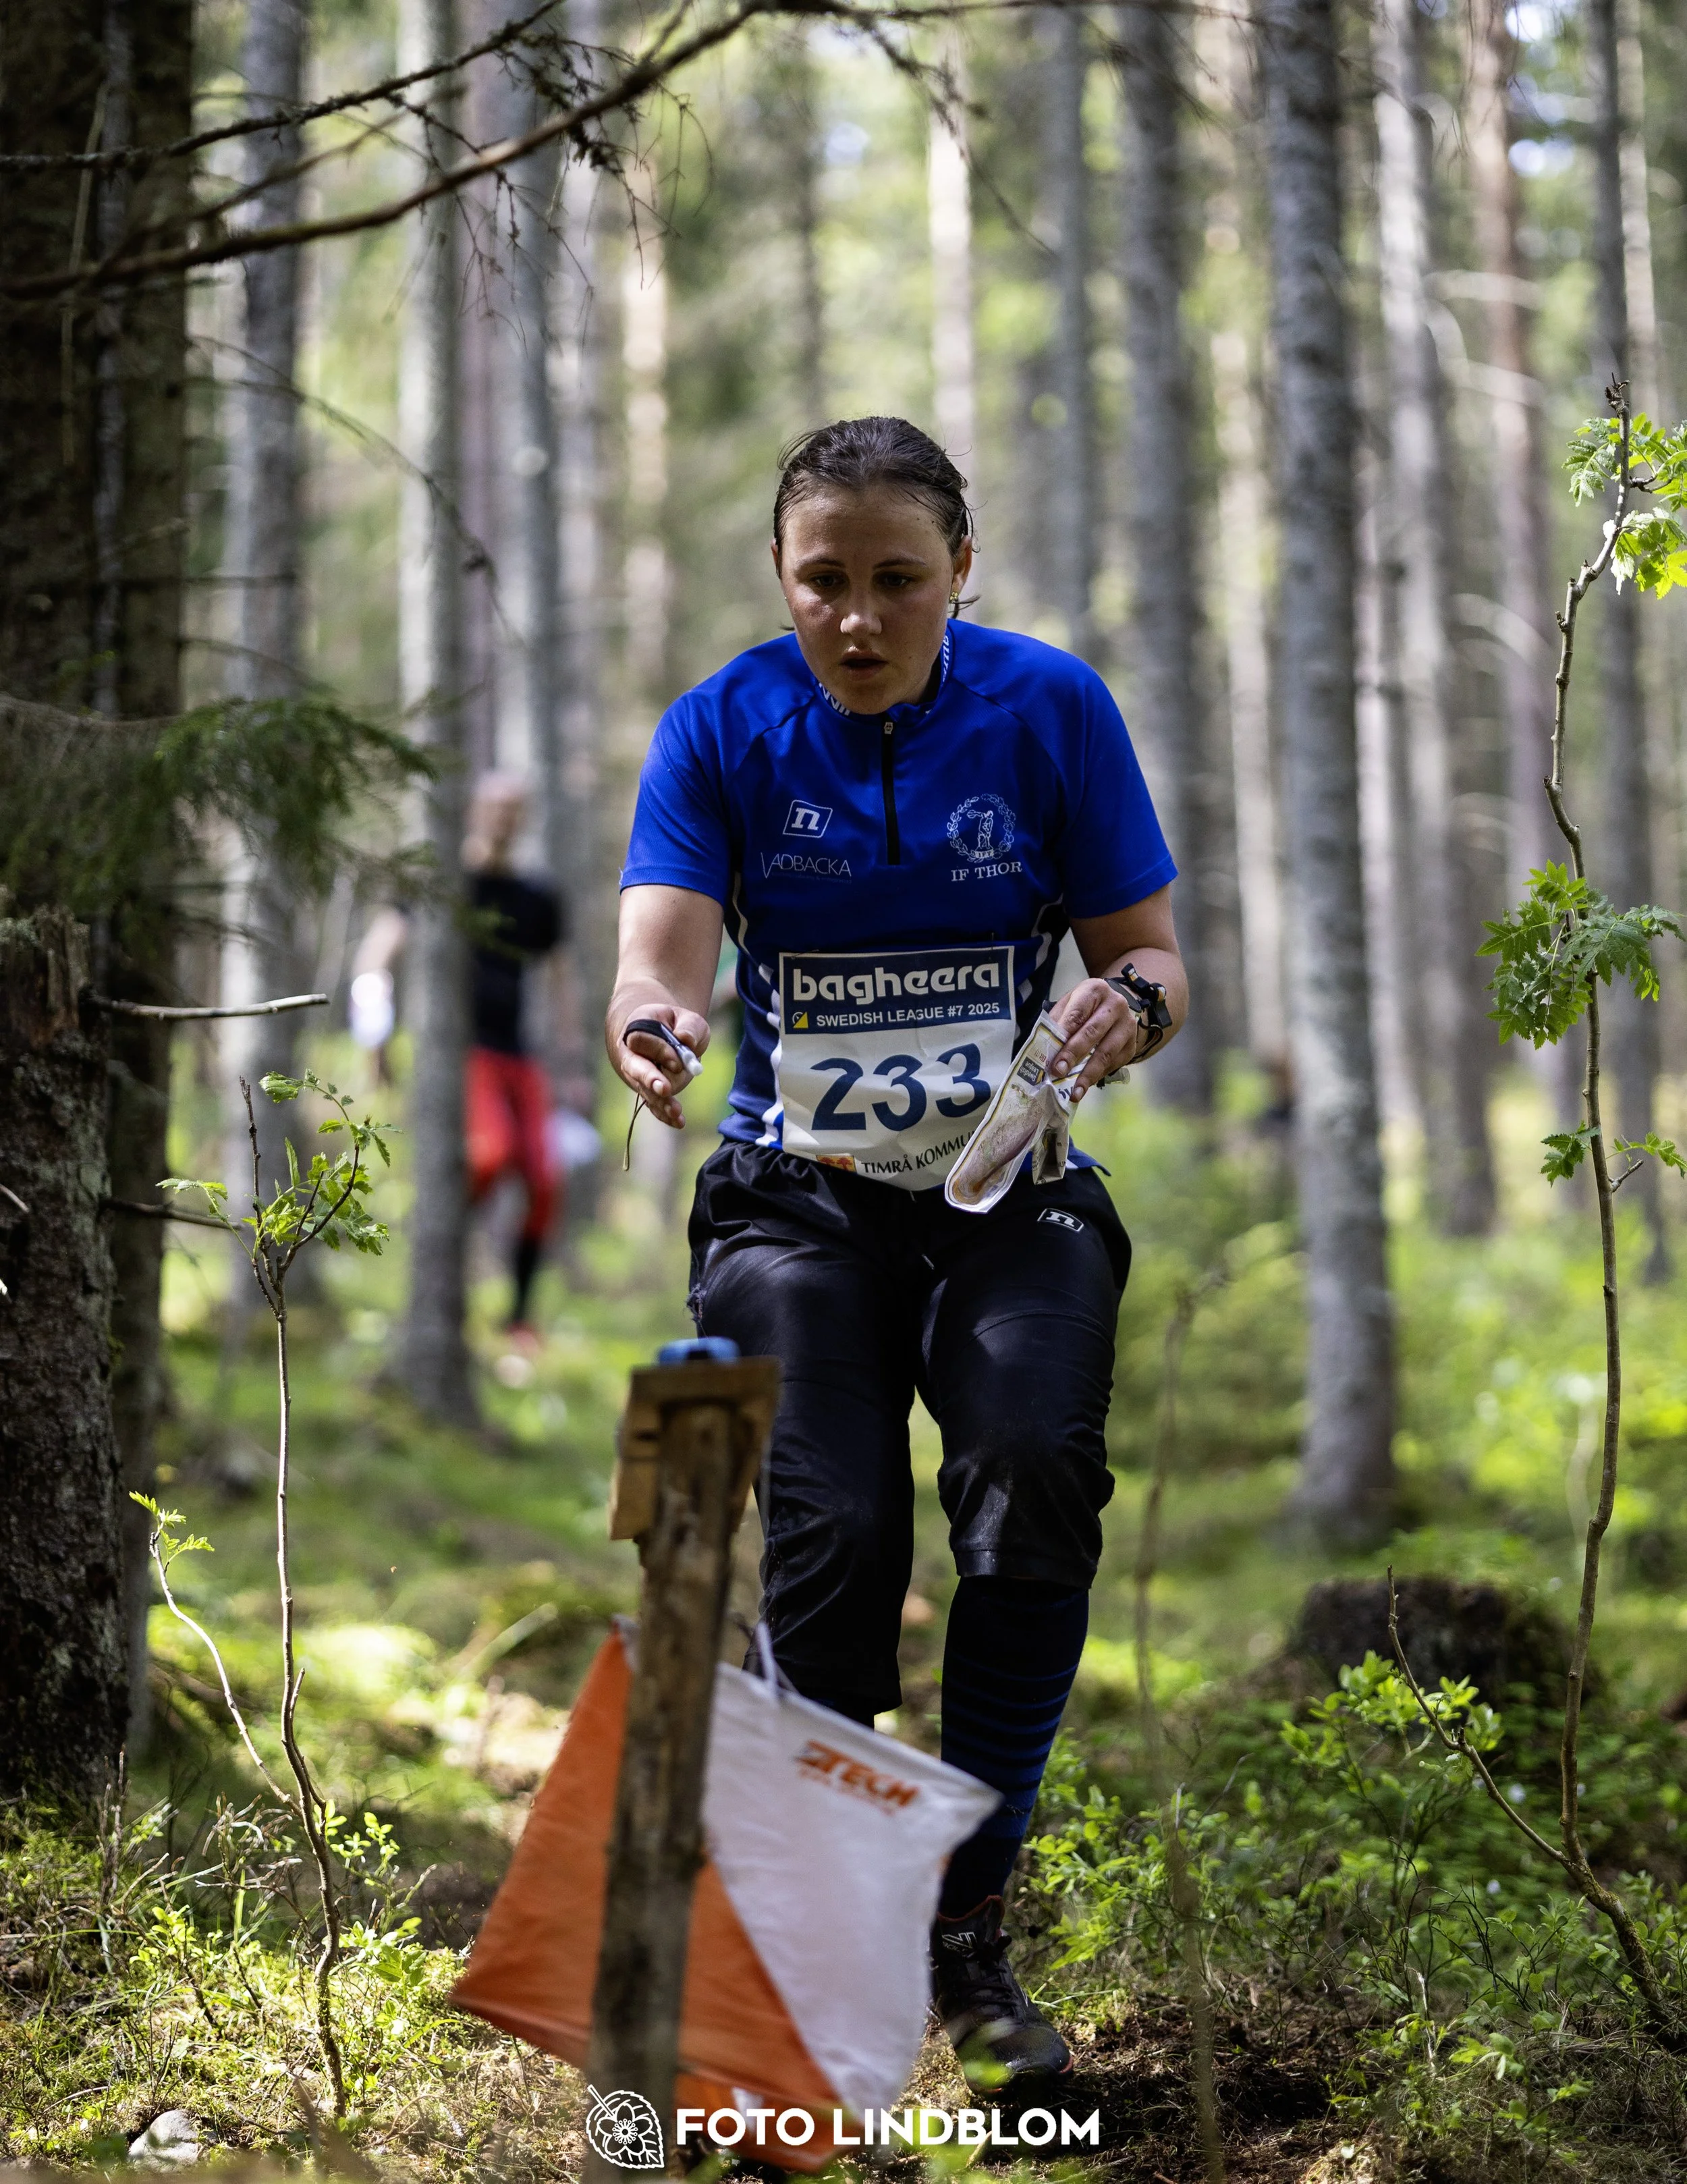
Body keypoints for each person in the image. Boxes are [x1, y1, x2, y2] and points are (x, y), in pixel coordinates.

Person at [606, 417, 1187, 2083]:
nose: (856, 620)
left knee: (1031, 1471)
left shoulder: (1050, 708)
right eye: (823, 584)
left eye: (895, 583)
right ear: (782, 582)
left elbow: (1151, 957)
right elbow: (656, 957)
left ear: (960, 577)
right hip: (795, 1200)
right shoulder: (722, 725)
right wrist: (654, 1023)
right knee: (838, 1534)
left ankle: (968, 1931)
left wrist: (1123, 1007)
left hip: (1009, 1186)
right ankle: (826, 1932)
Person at [353, 774, 572, 1335]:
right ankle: (442, 1259)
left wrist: (571, 1061)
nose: (504, 818)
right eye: (495, 807)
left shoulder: (537, 897)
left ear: (524, 818)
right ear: (475, 810)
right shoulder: (442, 884)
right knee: (492, 1155)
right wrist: (375, 1039)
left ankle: (519, 1319)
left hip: (519, 1054)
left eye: (514, 809)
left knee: (546, 1180)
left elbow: (559, 981)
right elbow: (376, 957)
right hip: (463, 1053)